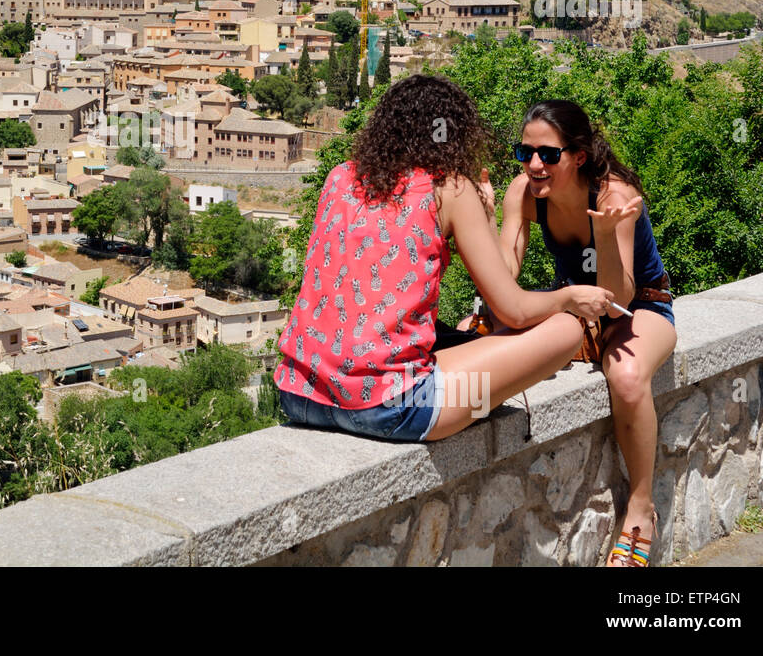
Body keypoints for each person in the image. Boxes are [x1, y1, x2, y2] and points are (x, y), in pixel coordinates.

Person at [274, 75, 613, 449]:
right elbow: (514, 309)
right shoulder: (449, 188)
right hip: (392, 408)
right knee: (565, 332)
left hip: (299, 395)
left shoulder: (340, 177)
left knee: (459, 333)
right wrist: (569, 299)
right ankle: (482, 401)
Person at [493, 99, 677, 567]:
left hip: (639, 306)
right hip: (576, 306)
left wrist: (610, 234)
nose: (535, 164)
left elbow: (618, 293)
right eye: (525, 152)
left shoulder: (614, 197)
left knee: (628, 378)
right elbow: (504, 276)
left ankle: (639, 508)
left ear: (577, 156)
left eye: (548, 154)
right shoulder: (524, 192)